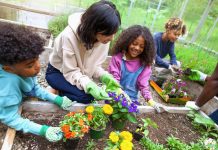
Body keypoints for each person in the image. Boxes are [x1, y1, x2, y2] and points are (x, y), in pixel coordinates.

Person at [0, 24, 73, 142]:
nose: (38, 66)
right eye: (30, 65)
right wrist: (43, 130)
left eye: (37, 59)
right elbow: (10, 118)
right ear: (9, 69)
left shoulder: (23, 69)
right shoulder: (7, 89)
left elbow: (34, 88)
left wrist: (56, 99)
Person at [46, 0, 121, 104]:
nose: (112, 38)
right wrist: (89, 85)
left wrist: (104, 76)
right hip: (58, 72)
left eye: (114, 33)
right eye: (108, 34)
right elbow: (71, 71)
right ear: (94, 28)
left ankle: (61, 89)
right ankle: (54, 89)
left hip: (78, 74)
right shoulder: (68, 37)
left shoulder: (103, 39)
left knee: (89, 95)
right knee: (86, 98)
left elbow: (94, 66)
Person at [108, 25, 161, 112]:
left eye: (141, 46)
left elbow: (143, 85)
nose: (137, 48)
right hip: (114, 97)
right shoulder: (118, 58)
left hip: (132, 100)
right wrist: (120, 93)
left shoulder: (144, 64)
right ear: (127, 42)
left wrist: (150, 101)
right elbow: (114, 79)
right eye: (134, 43)